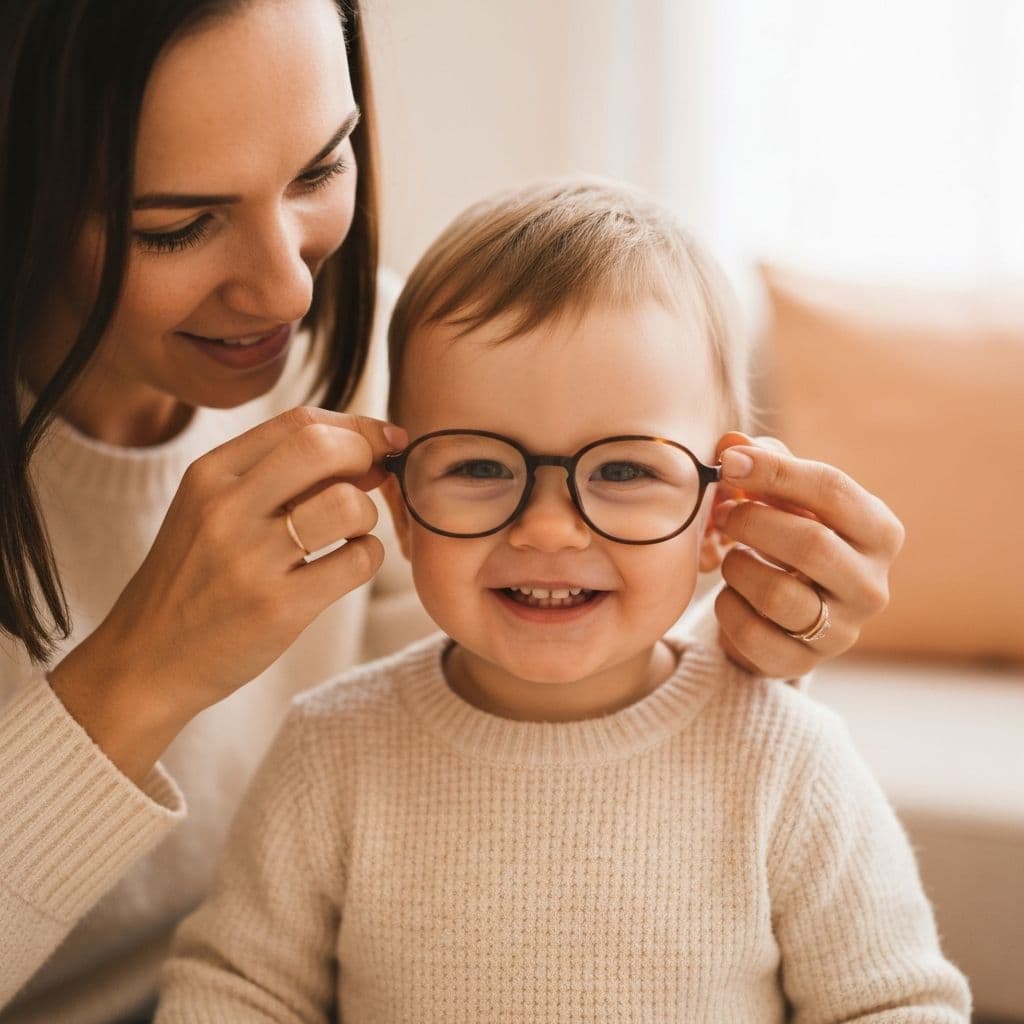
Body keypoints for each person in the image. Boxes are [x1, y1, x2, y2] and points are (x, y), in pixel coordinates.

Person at [0, 2, 905, 1021]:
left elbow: (481, 700)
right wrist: (140, 673)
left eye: (319, 168)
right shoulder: (331, 748)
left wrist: (757, 618)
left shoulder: (398, 362)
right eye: (172, 225)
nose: (286, 288)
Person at [155, 179, 969, 1021]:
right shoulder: (331, 751)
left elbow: (893, 1003)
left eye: (623, 470)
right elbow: (239, 990)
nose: (548, 531)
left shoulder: (788, 763)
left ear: (721, 515)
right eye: (477, 466)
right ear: (401, 508)